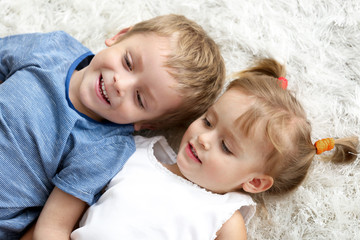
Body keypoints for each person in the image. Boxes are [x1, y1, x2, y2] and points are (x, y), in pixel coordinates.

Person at [71, 58, 359, 240]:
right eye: (208, 121)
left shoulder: (224, 217)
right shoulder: (135, 154)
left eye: (226, 146)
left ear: (255, 181)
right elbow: (70, 198)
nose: (204, 138)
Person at [0, 14, 225, 239]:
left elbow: (52, 227)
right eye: (128, 63)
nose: (121, 85)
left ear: (145, 123)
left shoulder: (106, 146)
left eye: (139, 99)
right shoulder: (53, 48)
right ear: (120, 36)